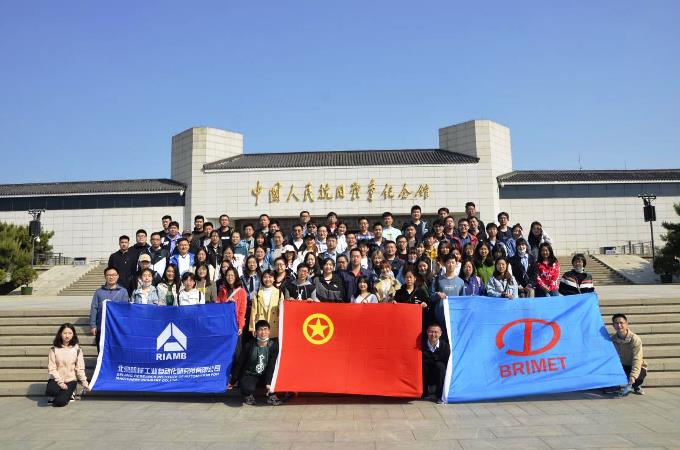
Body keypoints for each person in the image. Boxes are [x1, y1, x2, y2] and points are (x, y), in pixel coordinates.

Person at [230, 320, 281, 406]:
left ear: (269, 331)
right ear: (256, 332)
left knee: (275, 380)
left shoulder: (274, 346)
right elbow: (240, 363)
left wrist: (269, 382)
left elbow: (272, 366)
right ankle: (248, 395)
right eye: (260, 330)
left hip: (266, 374)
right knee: (246, 386)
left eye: (265, 329)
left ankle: (272, 396)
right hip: (251, 374)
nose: (263, 332)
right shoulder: (249, 345)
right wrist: (232, 381)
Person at [46, 323, 90, 407]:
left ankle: (69, 393)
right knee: (51, 391)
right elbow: (52, 368)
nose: (67, 336)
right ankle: (59, 394)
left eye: (70, 333)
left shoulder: (77, 349)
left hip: (70, 380)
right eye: (65, 333)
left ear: (73, 334)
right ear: (60, 334)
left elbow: (80, 368)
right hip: (56, 380)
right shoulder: (54, 349)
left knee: (60, 402)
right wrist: (60, 383)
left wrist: (84, 382)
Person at [89, 266, 129, 351]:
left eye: (114, 275)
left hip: (117, 328)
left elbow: (125, 310)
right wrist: (93, 325)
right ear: (105, 277)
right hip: (102, 328)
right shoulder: (99, 292)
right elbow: (94, 308)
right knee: (101, 351)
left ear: (118, 276)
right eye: (108, 275)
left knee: (116, 351)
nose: (111, 277)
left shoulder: (123, 292)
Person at [610, 314, 647, 395]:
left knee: (638, 378)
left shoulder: (635, 339)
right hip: (621, 366)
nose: (619, 325)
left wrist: (633, 375)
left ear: (626, 324)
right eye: (616, 323)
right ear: (613, 325)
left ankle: (636, 386)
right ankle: (615, 386)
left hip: (635, 365)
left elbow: (637, 359)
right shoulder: (612, 339)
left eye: (621, 323)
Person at [421, 323, 450, 403]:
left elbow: (445, 361)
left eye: (436, 332)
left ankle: (440, 396)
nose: (433, 334)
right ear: (427, 332)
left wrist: (432, 360)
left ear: (440, 333)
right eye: (431, 332)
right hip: (426, 372)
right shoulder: (421, 345)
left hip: (439, 374)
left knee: (440, 366)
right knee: (422, 365)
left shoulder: (445, 346)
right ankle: (424, 392)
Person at [216, 267, 247, 337]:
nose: (230, 277)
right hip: (224, 323)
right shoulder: (222, 290)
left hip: (235, 323)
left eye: (232, 275)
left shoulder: (241, 291)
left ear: (236, 276)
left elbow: (242, 311)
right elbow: (218, 307)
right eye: (228, 275)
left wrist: (240, 326)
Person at [249, 270, 282, 339]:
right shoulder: (257, 293)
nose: (267, 279)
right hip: (260, 325)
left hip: (274, 325)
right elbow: (253, 312)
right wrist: (252, 328)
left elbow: (282, 312)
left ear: (274, 279)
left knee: (273, 344)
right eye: (265, 277)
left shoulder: (279, 293)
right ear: (262, 279)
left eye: (270, 277)